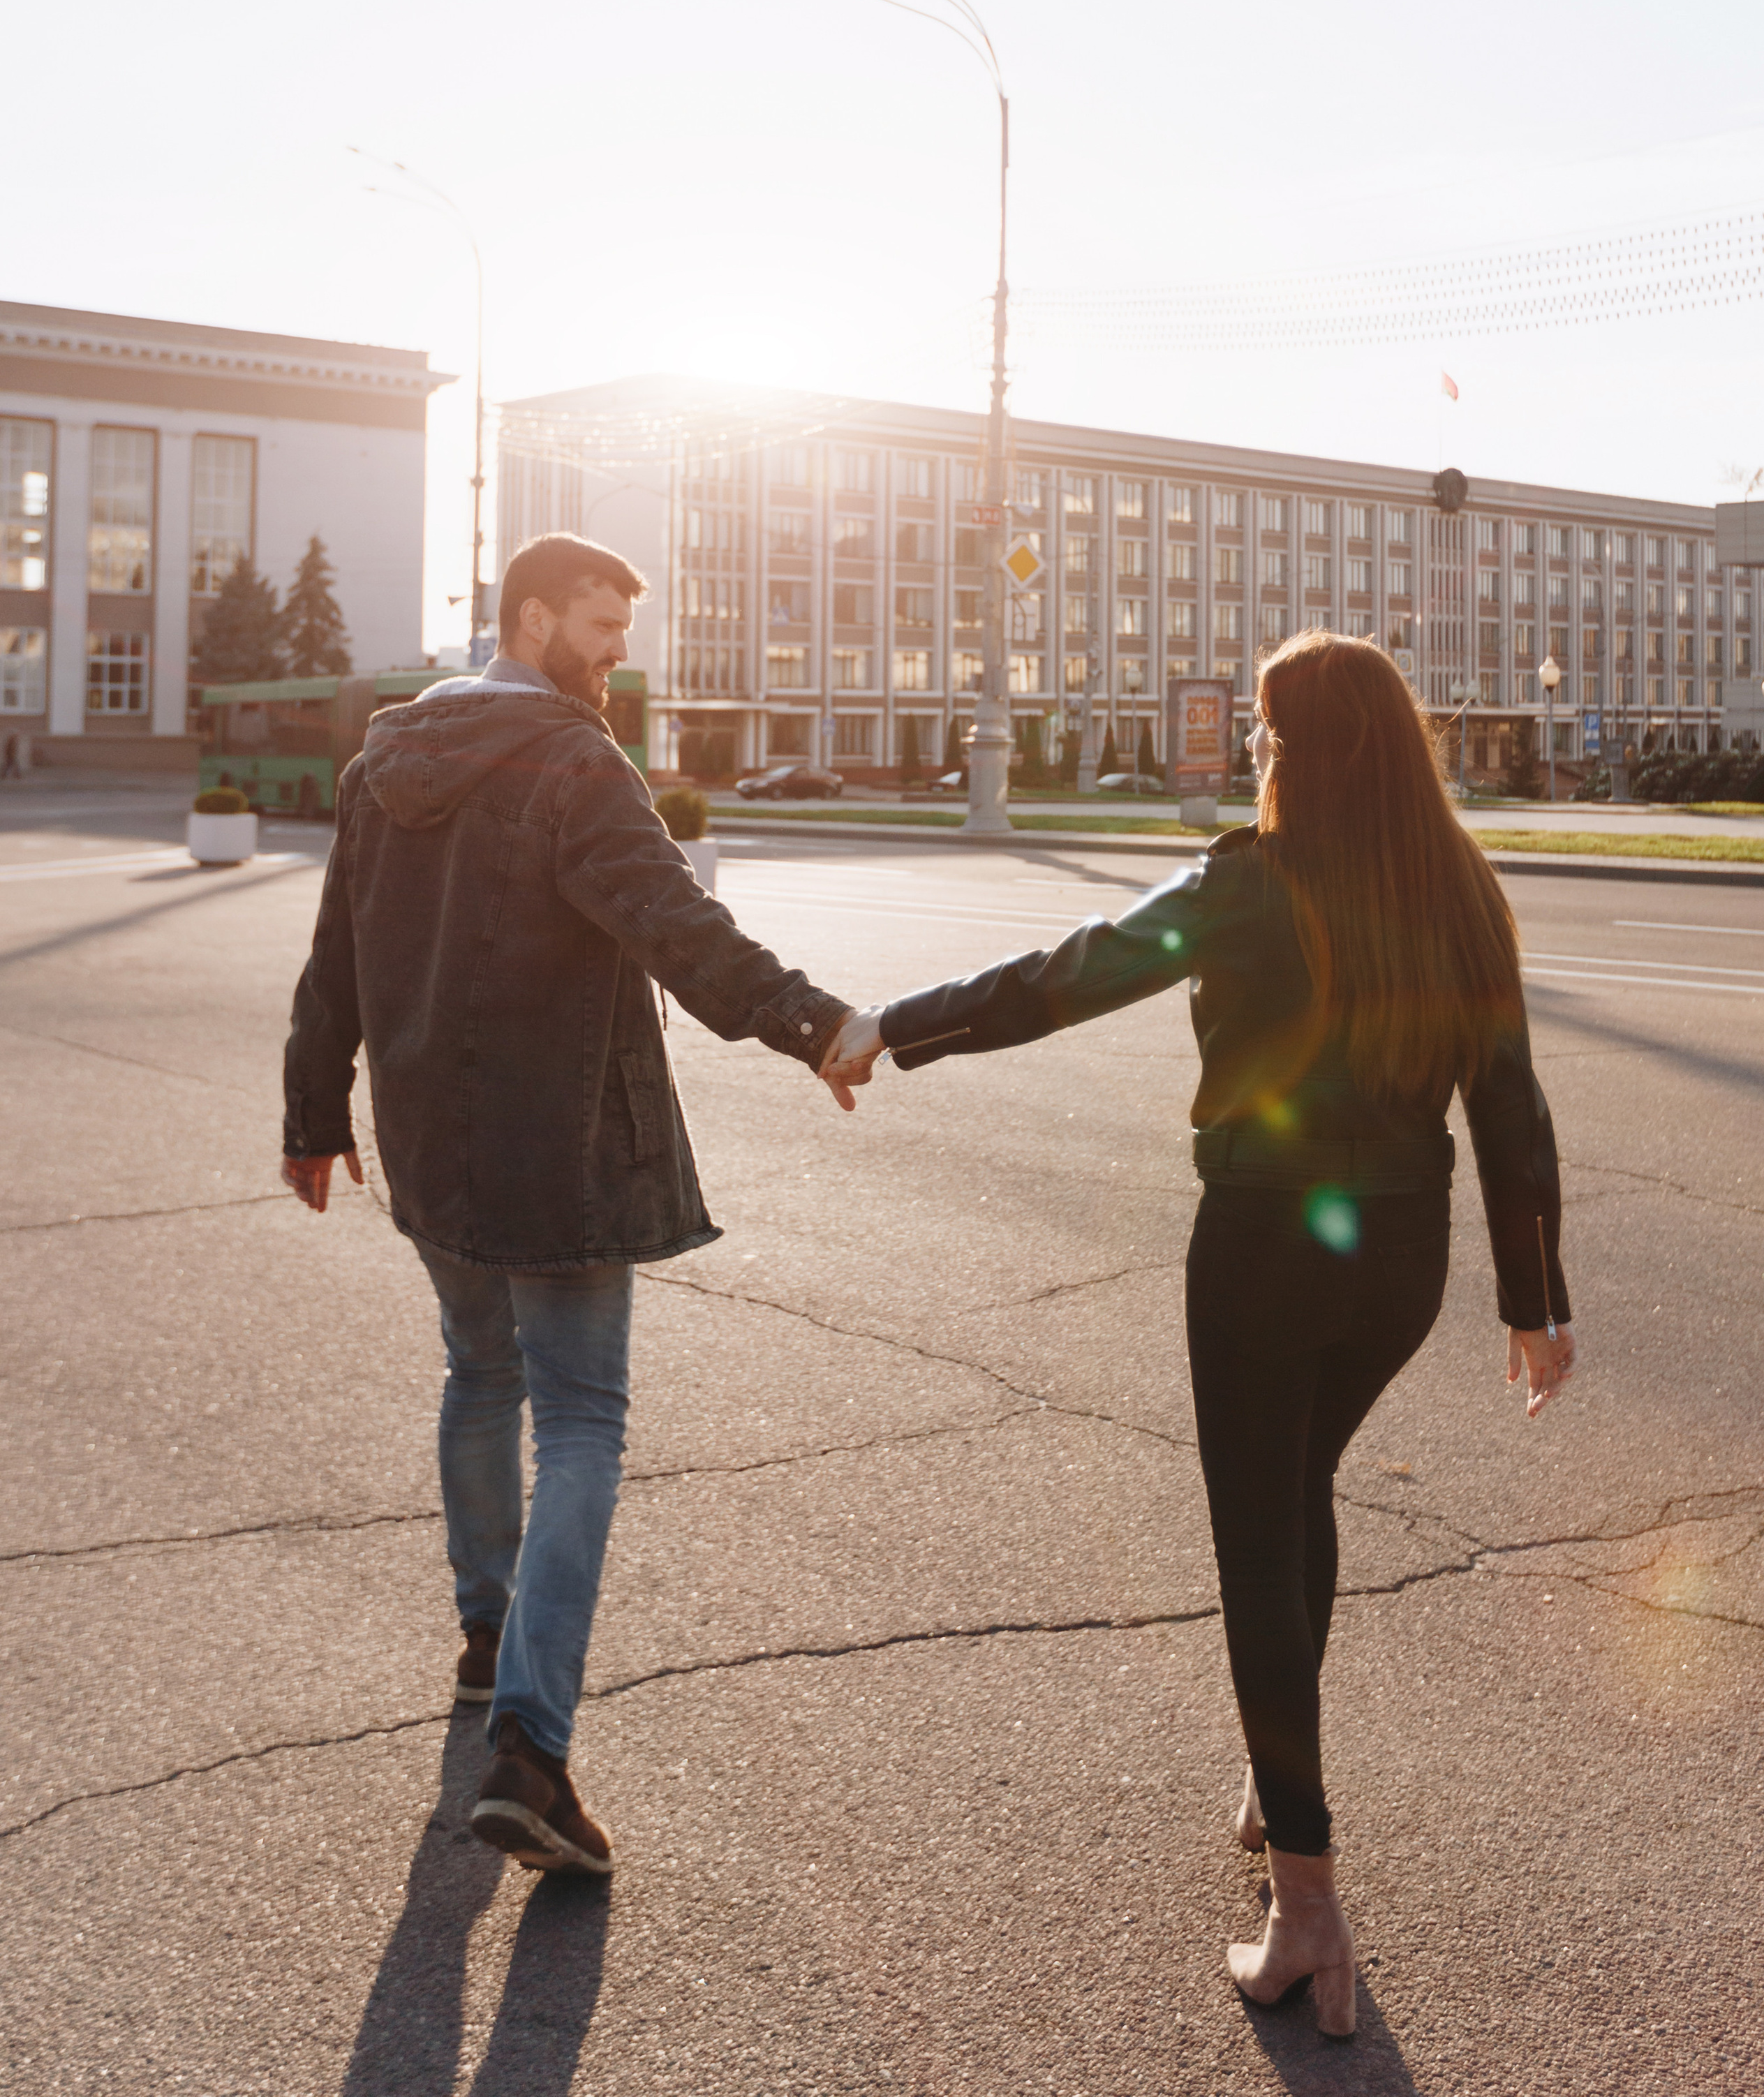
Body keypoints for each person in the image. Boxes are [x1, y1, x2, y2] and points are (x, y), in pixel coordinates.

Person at [823, 631, 1577, 2038]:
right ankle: (1270, 1765)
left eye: (1263, 730)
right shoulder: (1457, 884)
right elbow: (1511, 1106)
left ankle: (1303, 1907)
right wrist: (1531, 1300)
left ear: (1296, 748)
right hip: (1398, 1259)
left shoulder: (1248, 887)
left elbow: (1066, 975)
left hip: (1263, 1250)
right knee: (1296, 1498)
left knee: (1255, 1541)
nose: (1251, 749)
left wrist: (887, 1023)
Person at [283, 534, 864, 1876]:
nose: (615, 652)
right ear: (529, 616)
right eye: (598, 625)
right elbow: (678, 927)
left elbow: (335, 962)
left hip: (429, 1137)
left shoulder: (384, 761)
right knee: (583, 1418)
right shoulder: (569, 761)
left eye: (621, 628)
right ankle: (532, 1754)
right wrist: (819, 1023)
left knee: (479, 1377)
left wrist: (318, 1113)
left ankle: (491, 1637)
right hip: (560, 1145)